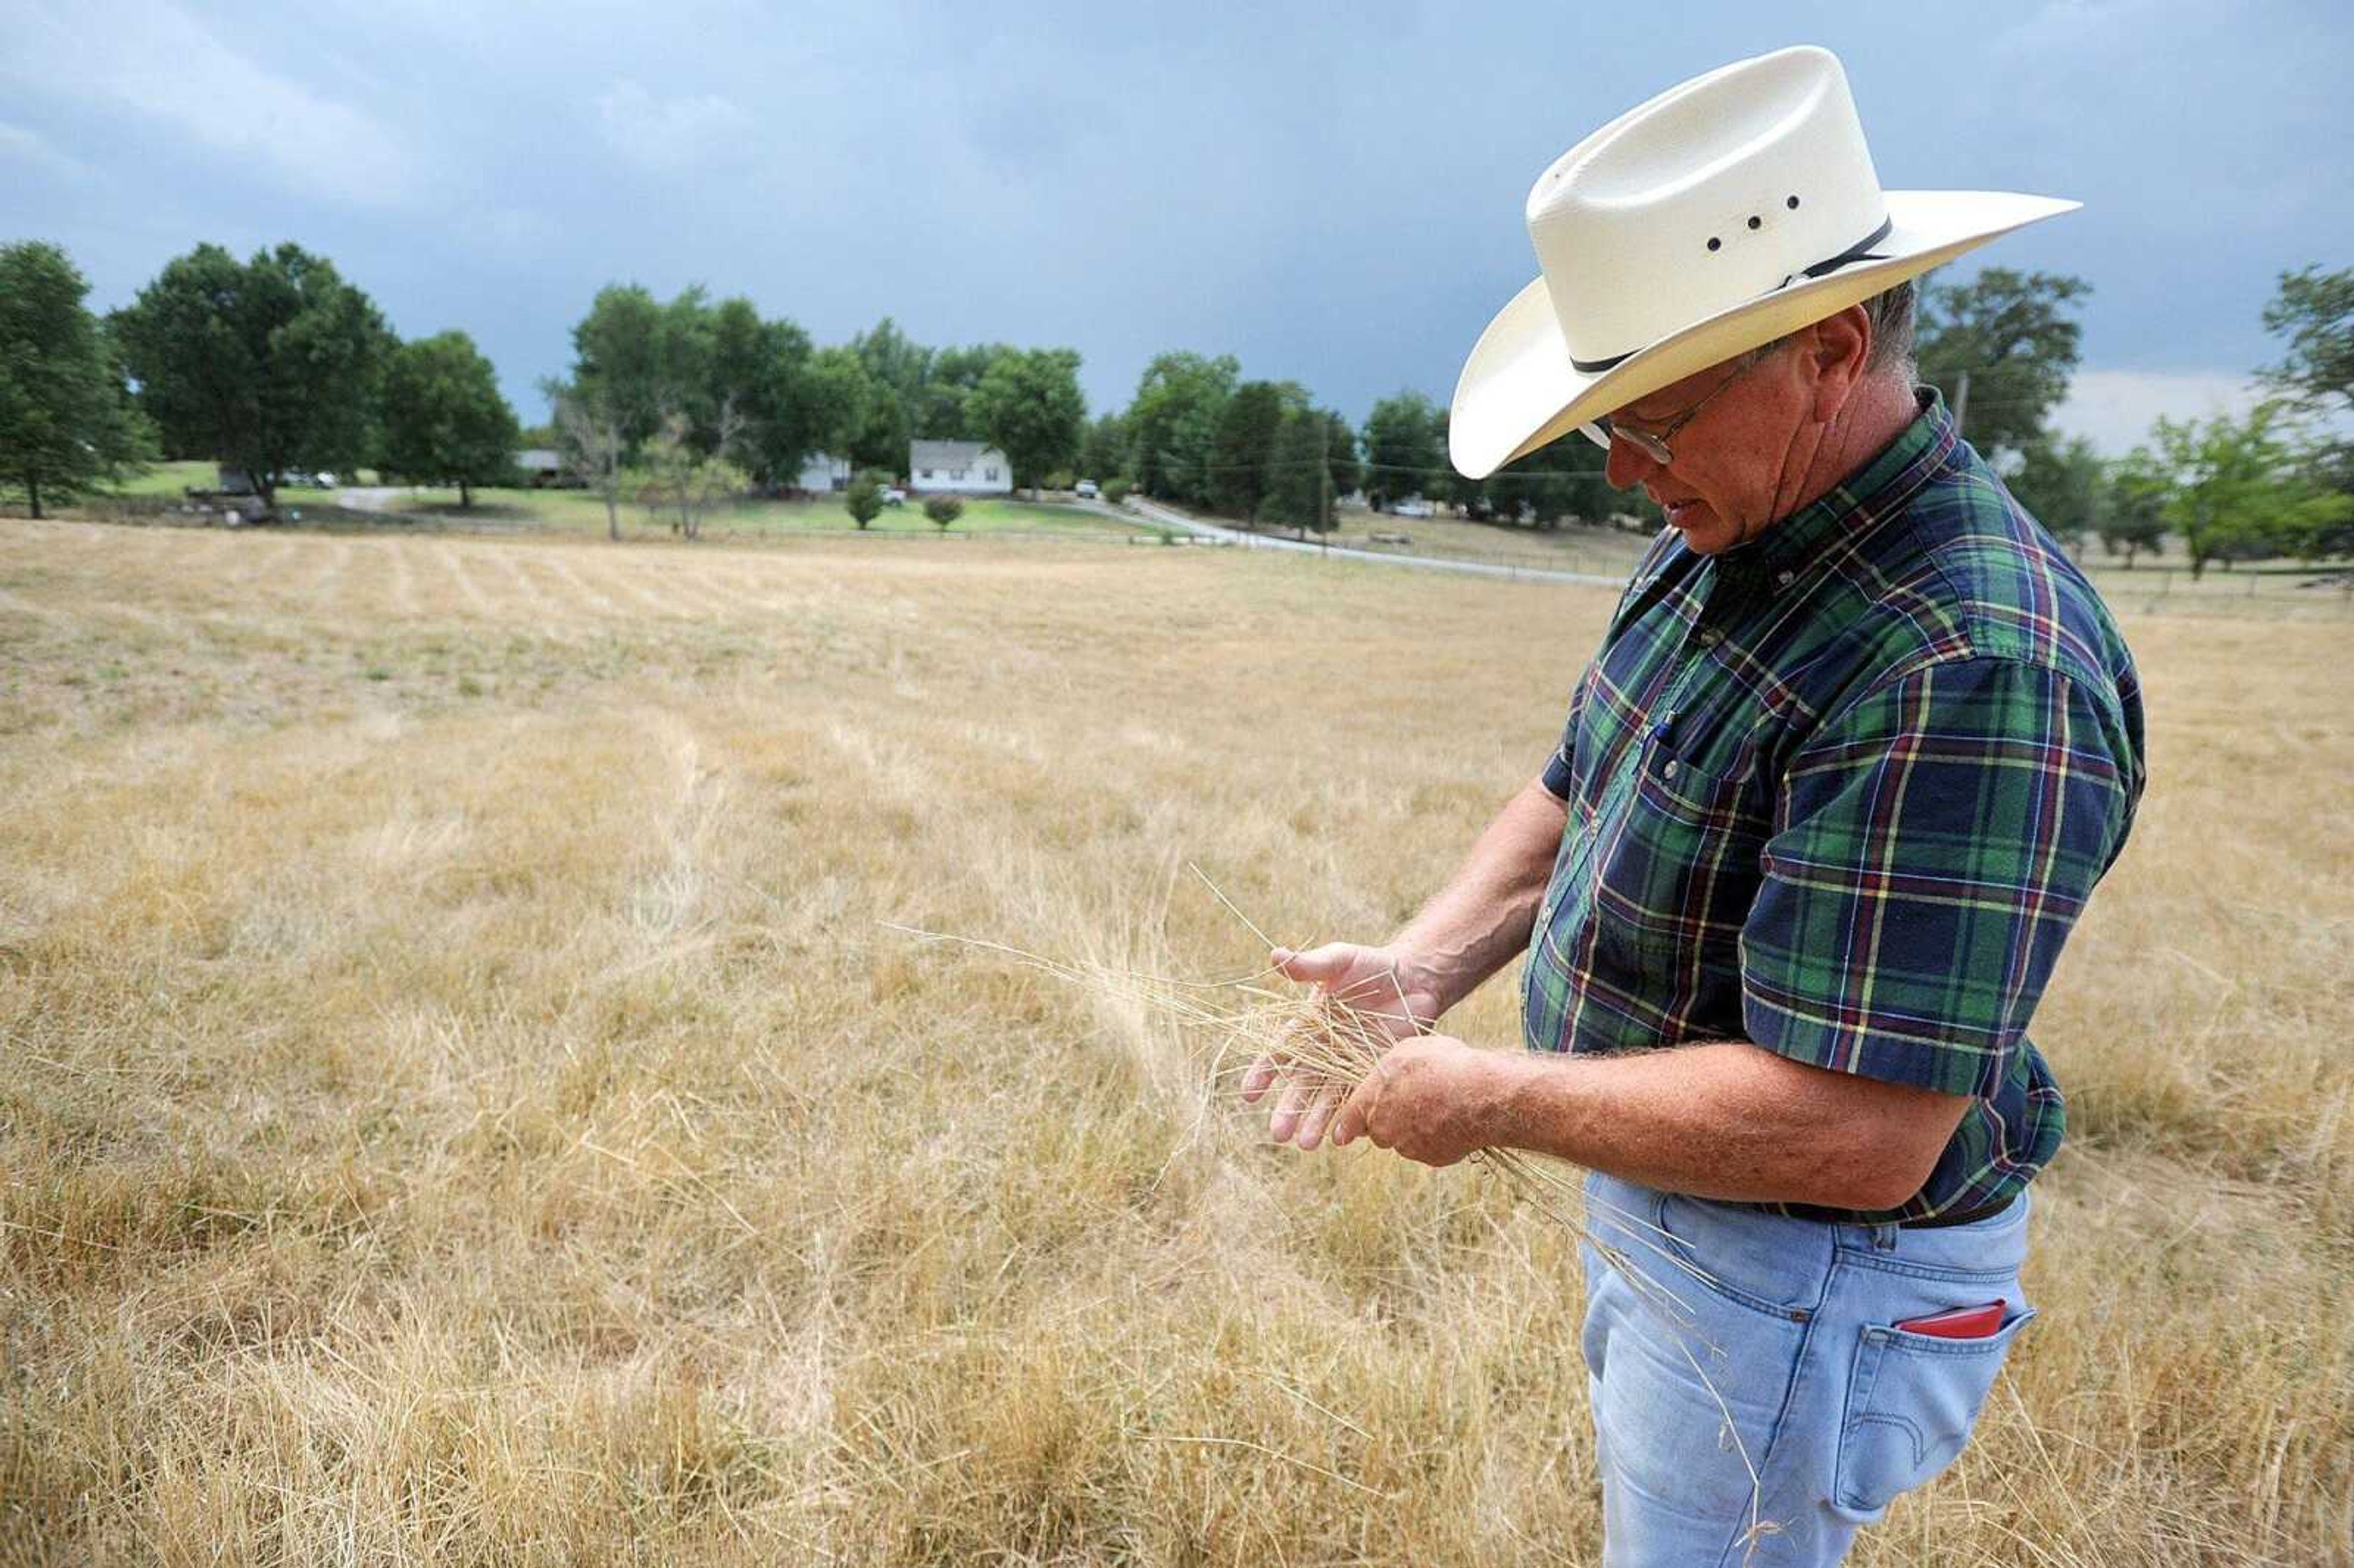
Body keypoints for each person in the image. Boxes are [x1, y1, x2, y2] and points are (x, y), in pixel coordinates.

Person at [1243, 45, 2145, 1566]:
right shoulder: (1734, 524)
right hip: (1682, 1196)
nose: (1618, 470)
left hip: (1809, 1268)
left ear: (1831, 348)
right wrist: (1419, 969)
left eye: (1652, 415)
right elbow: (1582, 784)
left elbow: (1862, 1135)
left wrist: (1496, 1095)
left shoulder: (1970, 661)